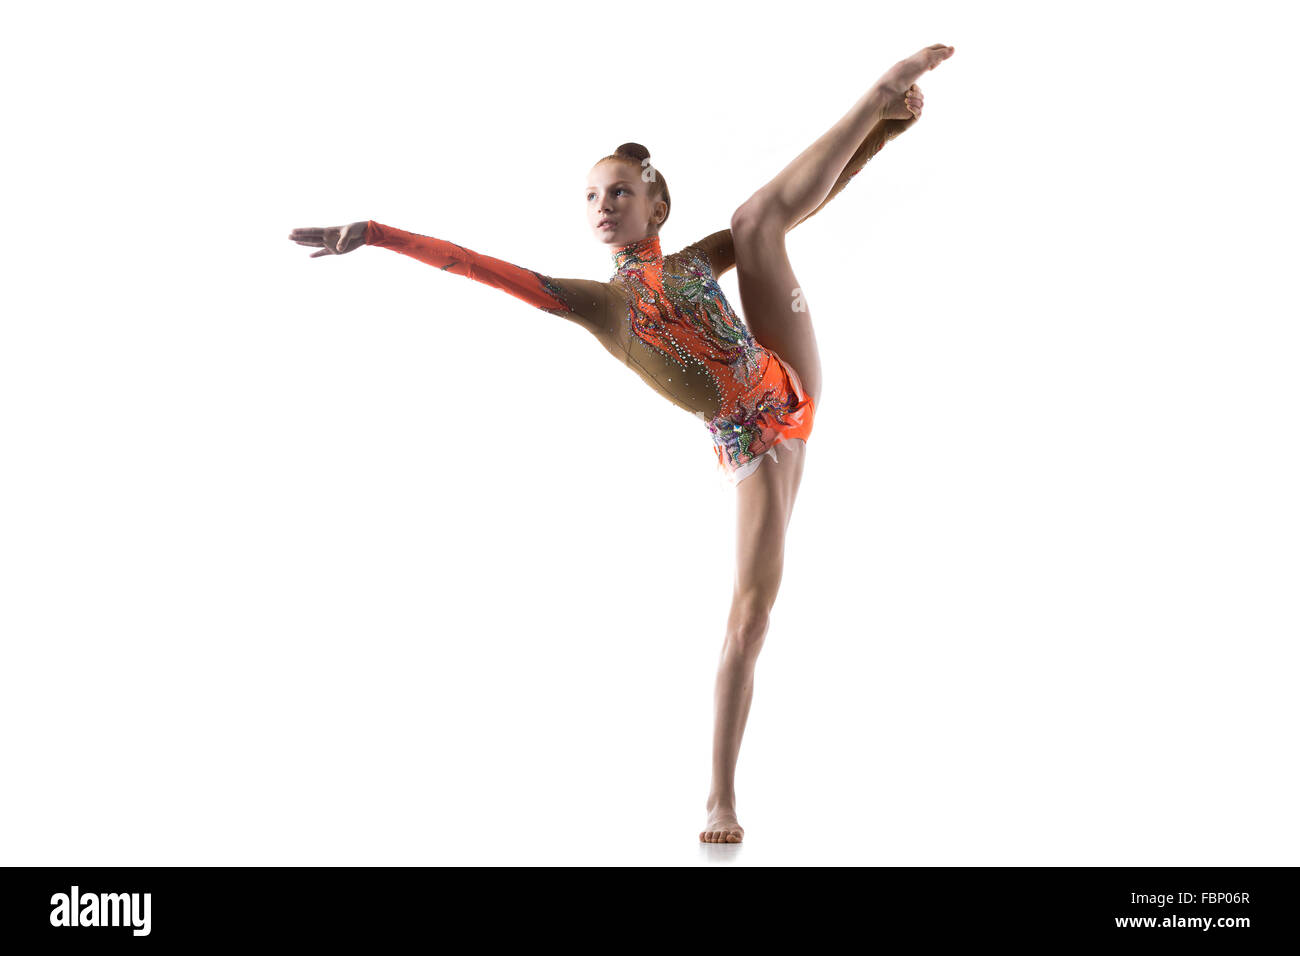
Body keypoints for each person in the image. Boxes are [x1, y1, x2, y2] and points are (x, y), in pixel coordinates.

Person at [290, 43, 955, 844]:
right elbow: (477, 266)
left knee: (756, 221)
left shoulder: (690, 262)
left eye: (621, 192)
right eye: (593, 197)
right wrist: (373, 233)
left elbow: (792, 208)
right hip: (757, 441)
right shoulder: (598, 306)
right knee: (748, 619)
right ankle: (721, 797)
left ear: (654, 207)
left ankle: (878, 96)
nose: (605, 206)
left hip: (785, 370)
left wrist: (886, 133)